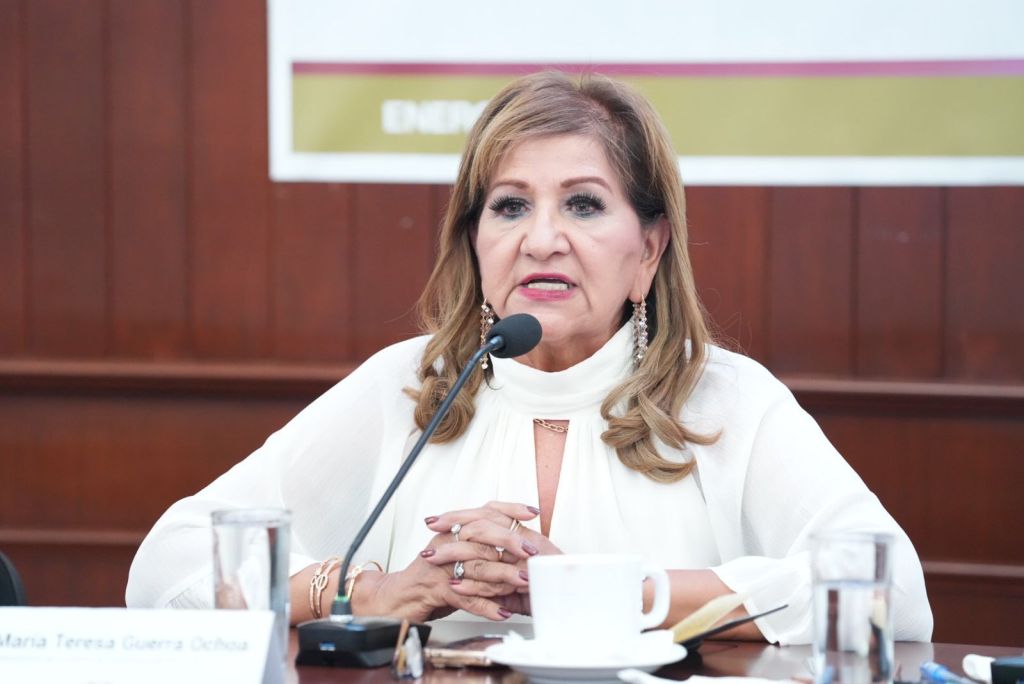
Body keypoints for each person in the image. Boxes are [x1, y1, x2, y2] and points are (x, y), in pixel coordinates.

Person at [126, 71, 933, 644]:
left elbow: (889, 591)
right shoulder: (408, 387)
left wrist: (607, 592)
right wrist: (365, 590)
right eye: (510, 206)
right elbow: (167, 567)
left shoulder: (723, 400)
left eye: (583, 203)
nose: (542, 239)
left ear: (650, 249)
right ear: (475, 244)